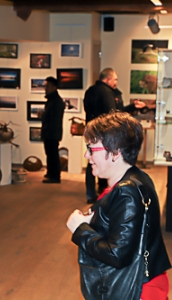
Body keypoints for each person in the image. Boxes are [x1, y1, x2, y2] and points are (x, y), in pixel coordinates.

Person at [66, 111, 171, 300]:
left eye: (91, 149)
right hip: (144, 281)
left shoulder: (126, 191)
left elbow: (117, 255)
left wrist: (80, 230)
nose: (86, 155)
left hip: (137, 288)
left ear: (115, 152)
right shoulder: (135, 178)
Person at [83, 67, 146, 203]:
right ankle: (103, 191)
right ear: (108, 79)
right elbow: (114, 115)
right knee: (103, 159)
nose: (116, 82)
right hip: (106, 134)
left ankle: (90, 193)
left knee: (92, 161)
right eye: (115, 79)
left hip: (93, 132)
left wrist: (132, 106)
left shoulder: (90, 90)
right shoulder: (107, 92)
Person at [41, 76, 65, 183]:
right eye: (45, 86)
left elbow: (54, 119)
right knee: (50, 153)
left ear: (54, 87)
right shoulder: (52, 100)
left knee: (53, 154)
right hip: (50, 132)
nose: (46, 88)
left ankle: (55, 176)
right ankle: (51, 173)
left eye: (48, 86)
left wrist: (50, 132)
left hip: (52, 132)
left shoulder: (56, 101)